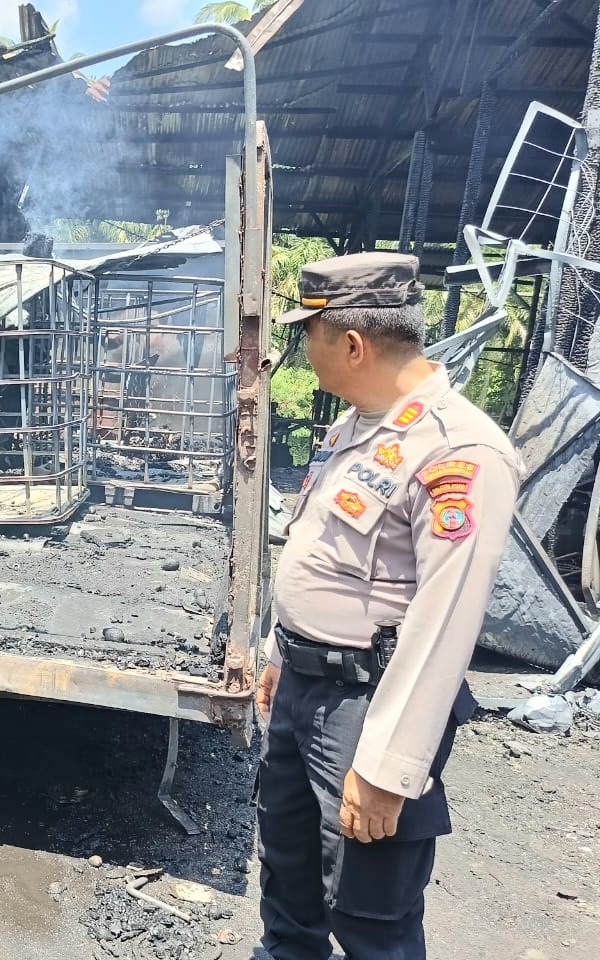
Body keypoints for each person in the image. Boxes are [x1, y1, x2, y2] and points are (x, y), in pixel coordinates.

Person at [255, 252, 524, 959]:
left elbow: (444, 625)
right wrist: (283, 654)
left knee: (371, 917)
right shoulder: (360, 426)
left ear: (350, 343)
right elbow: (331, 564)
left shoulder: (457, 451)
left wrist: (389, 769)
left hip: (368, 704)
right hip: (306, 687)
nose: (301, 353)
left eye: (306, 336)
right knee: (288, 882)